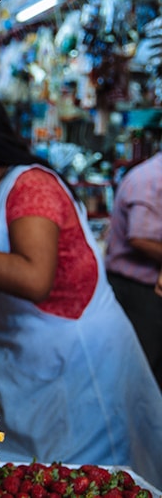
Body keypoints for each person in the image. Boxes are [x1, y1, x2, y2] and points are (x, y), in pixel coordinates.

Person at [0, 80, 162, 487]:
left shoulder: (31, 185)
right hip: (32, 376)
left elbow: (34, 277)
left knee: (92, 482)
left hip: (79, 372)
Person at [105, 150, 162, 386]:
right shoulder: (151, 179)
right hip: (136, 291)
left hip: (148, 287)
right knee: (143, 370)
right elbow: (140, 238)